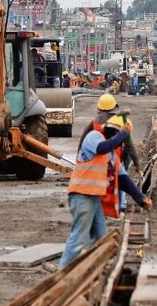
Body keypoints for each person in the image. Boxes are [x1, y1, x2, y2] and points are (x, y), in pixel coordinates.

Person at [60, 115, 150, 268]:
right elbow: (102, 148)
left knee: (99, 237)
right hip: (81, 195)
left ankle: (92, 269)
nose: (122, 142)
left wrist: (141, 199)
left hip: (95, 199)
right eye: (121, 138)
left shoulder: (112, 155)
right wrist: (123, 133)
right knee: (79, 237)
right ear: (115, 132)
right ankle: (63, 272)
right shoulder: (94, 137)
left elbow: (123, 179)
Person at [78, 94, 141, 172]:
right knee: (126, 152)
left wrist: (79, 162)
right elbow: (129, 145)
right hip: (114, 164)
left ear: (99, 109)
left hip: (96, 164)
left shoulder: (93, 124)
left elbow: (82, 144)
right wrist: (136, 163)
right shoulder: (119, 122)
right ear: (114, 108)